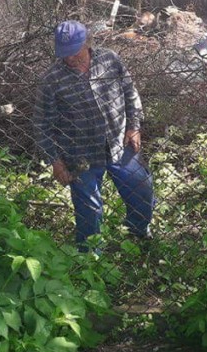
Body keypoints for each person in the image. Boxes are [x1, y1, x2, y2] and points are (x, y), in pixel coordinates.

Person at [34, 20, 154, 248]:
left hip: (119, 142)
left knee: (141, 188)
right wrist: (55, 161)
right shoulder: (51, 80)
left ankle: (138, 231)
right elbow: (42, 125)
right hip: (79, 154)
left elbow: (130, 91)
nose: (71, 58)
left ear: (87, 43)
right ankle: (89, 256)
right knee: (89, 210)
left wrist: (134, 126)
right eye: (65, 53)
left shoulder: (109, 59)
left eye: (75, 51)